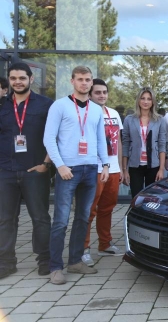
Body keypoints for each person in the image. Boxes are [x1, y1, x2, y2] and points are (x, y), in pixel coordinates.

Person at [43, 66, 110, 284]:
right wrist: (60, 165)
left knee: (83, 218)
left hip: (90, 169)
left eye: (87, 79)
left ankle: (75, 261)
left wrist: (105, 164)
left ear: (91, 82)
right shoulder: (60, 105)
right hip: (68, 170)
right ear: (72, 81)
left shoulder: (96, 109)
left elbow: (100, 139)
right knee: (61, 221)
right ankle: (55, 267)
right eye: (80, 79)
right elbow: (49, 138)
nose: (84, 83)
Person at [0, 63, 53, 279]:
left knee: (40, 218)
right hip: (6, 171)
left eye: (22, 78)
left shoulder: (46, 105)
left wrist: (46, 164)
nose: (17, 82)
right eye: (13, 78)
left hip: (35, 170)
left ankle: (45, 260)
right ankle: (6, 263)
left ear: (31, 79)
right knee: (5, 219)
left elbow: (55, 137)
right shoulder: (2, 105)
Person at [81, 79, 124, 267]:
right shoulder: (85, 113)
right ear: (90, 94)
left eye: (104, 92)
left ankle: (104, 244)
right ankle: (83, 248)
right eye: (97, 92)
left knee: (107, 208)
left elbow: (119, 142)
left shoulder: (114, 113)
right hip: (94, 169)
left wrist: (121, 168)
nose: (102, 95)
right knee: (89, 210)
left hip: (113, 169)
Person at [122, 87, 167, 198]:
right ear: (138, 100)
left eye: (149, 99)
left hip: (153, 165)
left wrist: (161, 169)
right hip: (135, 165)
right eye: (143, 98)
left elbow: (162, 145)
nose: (145, 101)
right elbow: (125, 144)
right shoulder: (129, 119)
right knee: (136, 198)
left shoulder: (160, 120)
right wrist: (124, 170)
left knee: (152, 198)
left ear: (153, 102)